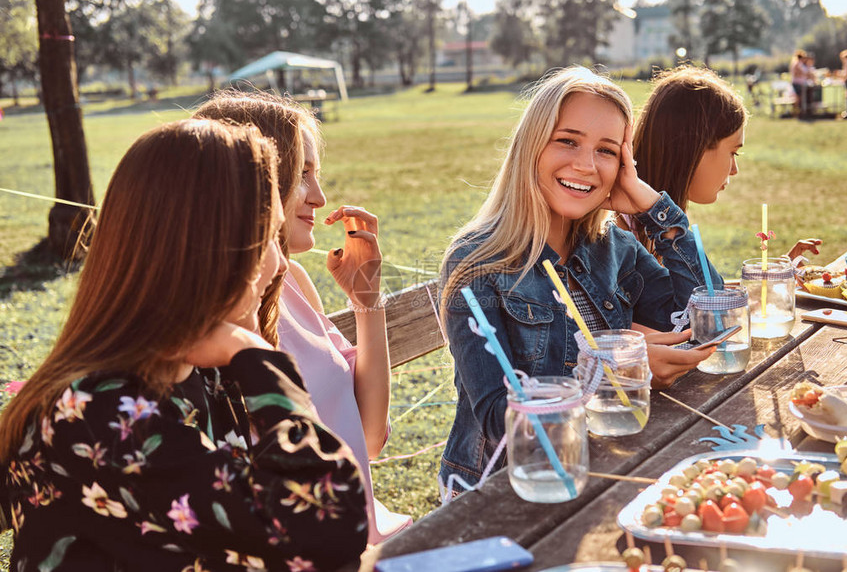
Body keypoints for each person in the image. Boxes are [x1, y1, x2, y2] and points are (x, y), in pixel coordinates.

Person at [0, 119, 368, 571]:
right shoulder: (104, 411)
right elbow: (328, 528)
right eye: (267, 237)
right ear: (214, 251)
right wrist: (259, 359)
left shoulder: (200, 375)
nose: (277, 263)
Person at [437, 67, 722, 493]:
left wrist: (651, 207)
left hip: (607, 468)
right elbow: (500, 418)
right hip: (508, 490)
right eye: (567, 141)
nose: (586, 165)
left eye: (607, 151)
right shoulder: (478, 263)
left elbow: (712, 318)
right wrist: (619, 372)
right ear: (530, 146)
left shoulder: (614, 246)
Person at [193, 91, 410, 544]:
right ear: (251, 182)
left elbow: (368, 438)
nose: (320, 195)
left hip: (364, 534)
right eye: (301, 174)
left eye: (317, 173)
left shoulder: (291, 280)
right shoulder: (202, 330)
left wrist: (367, 301)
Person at [630, 66, 822, 266]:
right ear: (692, 149)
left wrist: (777, 273)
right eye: (733, 153)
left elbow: (701, 291)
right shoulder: (624, 237)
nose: (734, 169)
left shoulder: (663, 218)